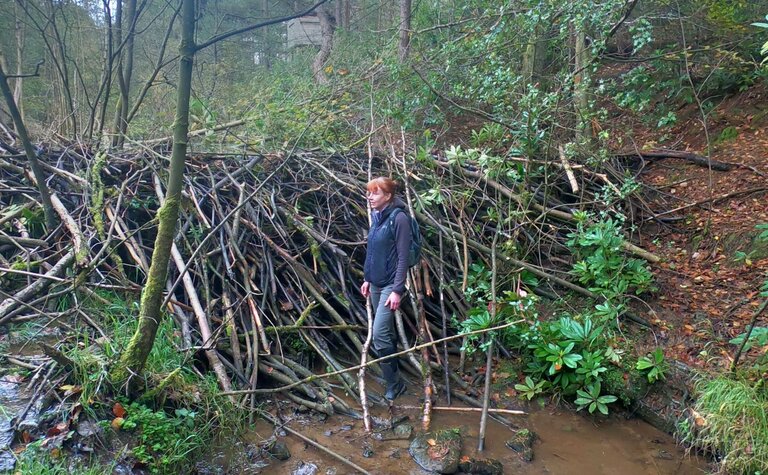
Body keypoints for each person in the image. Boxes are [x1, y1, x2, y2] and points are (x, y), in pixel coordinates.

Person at [360, 177, 411, 401]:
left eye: (375, 193)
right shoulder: (376, 217)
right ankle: (395, 378)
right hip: (376, 284)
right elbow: (373, 252)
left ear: (388, 196)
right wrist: (368, 279)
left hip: (391, 285)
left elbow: (403, 257)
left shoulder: (399, 219)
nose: (370, 197)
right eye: (369, 193)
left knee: (380, 334)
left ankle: (395, 384)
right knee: (385, 333)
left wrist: (397, 290)